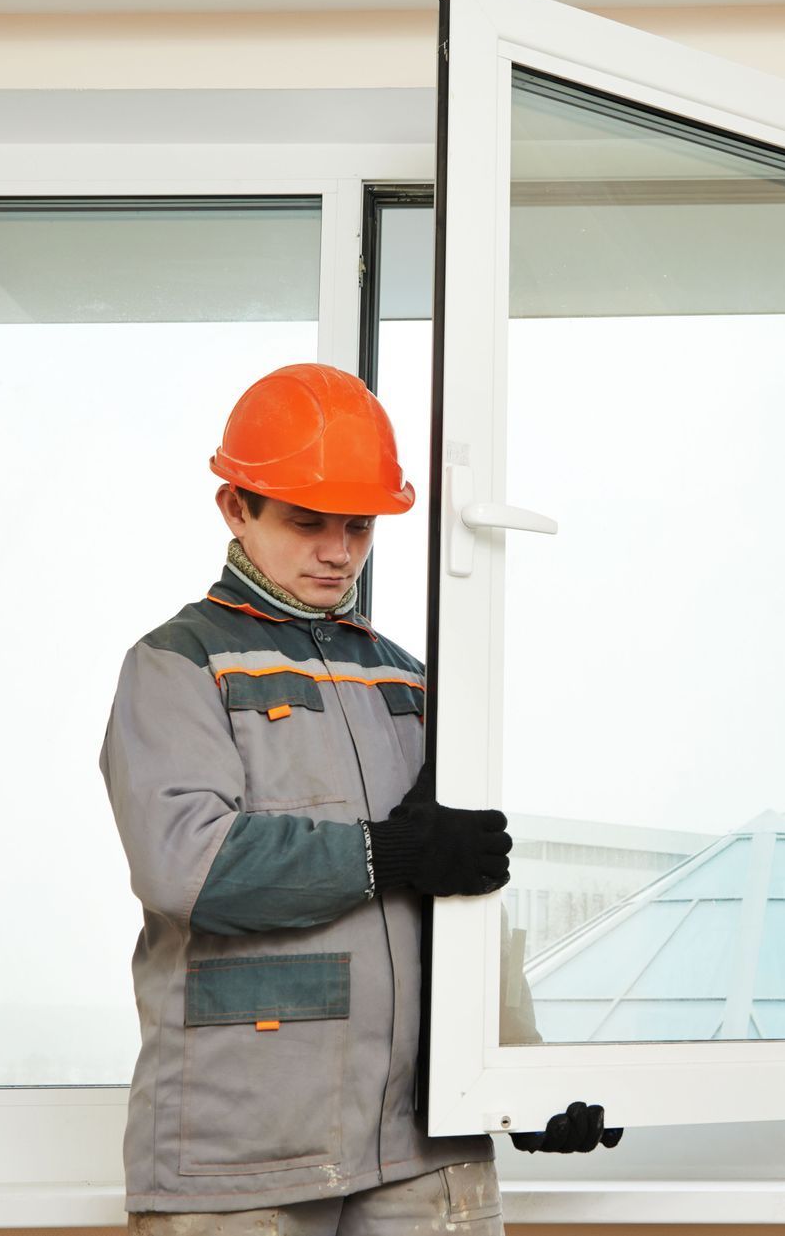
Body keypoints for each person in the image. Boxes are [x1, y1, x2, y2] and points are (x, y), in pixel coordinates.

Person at [102, 363, 617, 1235]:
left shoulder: (407, 680)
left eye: (358, 526)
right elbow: (188, 864)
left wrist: (516, 1080)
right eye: (308, 523)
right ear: (236, 507)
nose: (338, 550)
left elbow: (462, 893)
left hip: (423, 1151)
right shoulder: (179, 665)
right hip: (244, 1152)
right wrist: (387, 854)